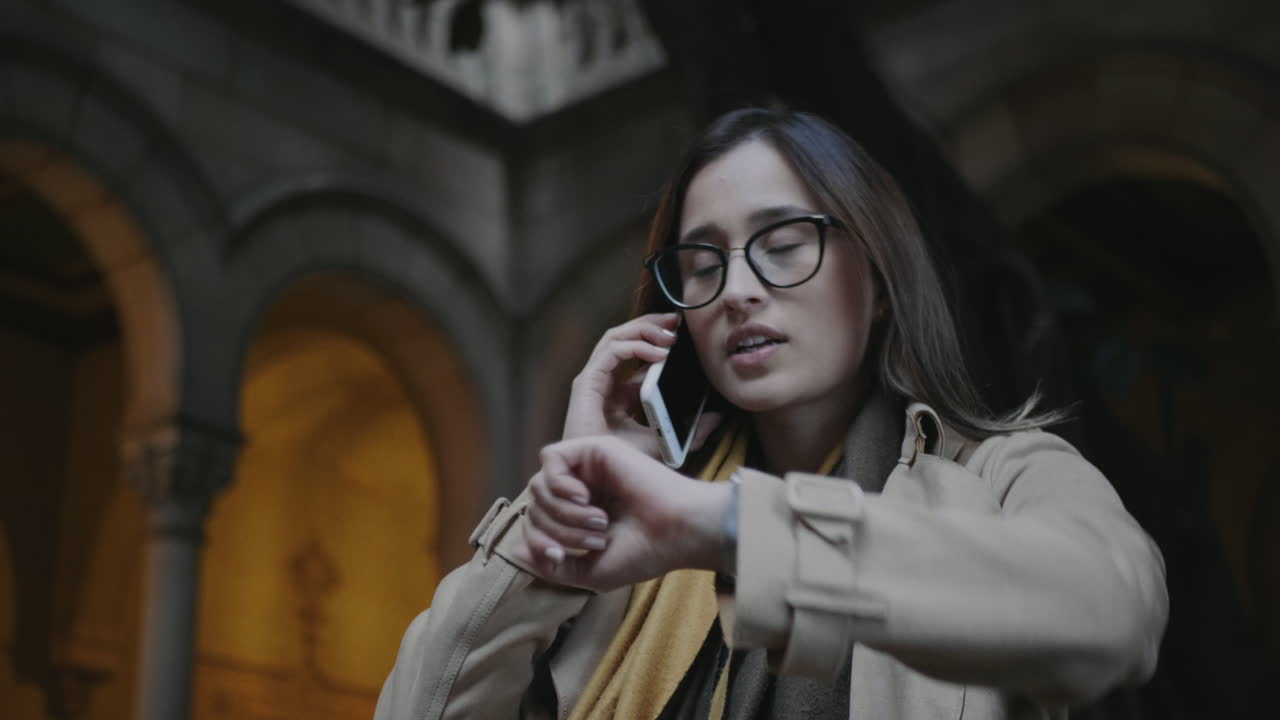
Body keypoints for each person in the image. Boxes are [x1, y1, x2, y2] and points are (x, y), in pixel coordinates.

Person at [373, 107, 1168, 720]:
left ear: (882, 280)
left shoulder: (998, 473)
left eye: (785, 241)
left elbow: (1117, 613)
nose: (740, 289)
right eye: (703, 261)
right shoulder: (627, 539)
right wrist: (552, 541)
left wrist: (725, 529)